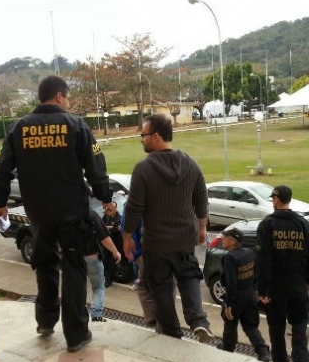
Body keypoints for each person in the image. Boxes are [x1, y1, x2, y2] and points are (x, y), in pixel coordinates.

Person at [0, 75, 115, 353]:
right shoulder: (76, 125)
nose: (69, 103)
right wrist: (106, 199)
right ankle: (76, 334)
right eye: (68, 97)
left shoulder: (19, 128)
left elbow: (0, 169)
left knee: (45, 266)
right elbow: (96, 167)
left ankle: (45, 322)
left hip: (39, 215)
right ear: (59, 96)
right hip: (73, 214)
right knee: (73, 268)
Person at [122, 113, 214, 343]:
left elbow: (134, 208)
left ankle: (172, 333)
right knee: (189, 275)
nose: (141, 139)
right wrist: (202, 228)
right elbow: (201, 199)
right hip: (185, 238)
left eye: (143, 135)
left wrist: (126, 237)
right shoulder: (191, 163)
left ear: (155, 136)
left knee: (161, 288)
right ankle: (199, 322)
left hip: (156, 243)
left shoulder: (143, 169)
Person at [256, 185, 309, 362]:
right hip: (298, 286)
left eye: (273, 199)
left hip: (276, 288)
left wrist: (263, 291)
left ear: (277, 199)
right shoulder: (303, 224)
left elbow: (263, 260)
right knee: (300, 326)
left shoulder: (267, 225)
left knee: (276, 329)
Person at [217, 228, 270, 362]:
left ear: (233, 241)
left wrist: (228, 305)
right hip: (250, 295)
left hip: (236, 298)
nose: (222, 240)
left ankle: (228, 349)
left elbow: (231, 283)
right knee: (251, 326)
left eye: (225, 238)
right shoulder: (249, 253)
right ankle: (263, 351)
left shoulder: (229, 258)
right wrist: (257, 291)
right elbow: (257, 273)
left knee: (230, 326)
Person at [86, 209, 122, 322]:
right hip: (91, 255)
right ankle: (96, 314)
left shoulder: (65, 212)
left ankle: (78, 314)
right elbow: (104, 237)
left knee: (77, 286)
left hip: (72, 258)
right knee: (98, 286)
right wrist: (115, 252)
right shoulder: (91, 214)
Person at [102, 201, 123, 287]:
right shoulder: (106, 216)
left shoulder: (119, 217)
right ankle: (103, 277)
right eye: (109, 208)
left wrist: (108, 227)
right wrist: (110, 227)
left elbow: (116, 228)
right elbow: (101, 226)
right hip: (106, 243)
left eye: (113, 207)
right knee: (104, 260)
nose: (110, 209)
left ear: (116, 208)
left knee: (112, 263)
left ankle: (109, 280)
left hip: (116, 244)